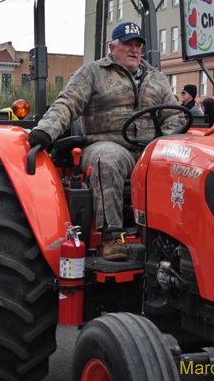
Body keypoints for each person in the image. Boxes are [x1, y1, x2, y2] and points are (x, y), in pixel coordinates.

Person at [27, 22, 184, 261]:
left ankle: (179, 237)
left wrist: (165, 145)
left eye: (137, 45)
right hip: (105, 144)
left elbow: (174, 116)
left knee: (188, 163)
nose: (134, 49)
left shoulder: (157, 78)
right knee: (108, 158)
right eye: (127, 44)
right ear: (113, 46)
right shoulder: (93, 72)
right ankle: (112, 237)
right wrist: (45, 130)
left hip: (149, 150)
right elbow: (68, 103)